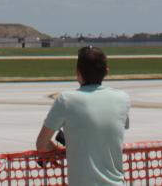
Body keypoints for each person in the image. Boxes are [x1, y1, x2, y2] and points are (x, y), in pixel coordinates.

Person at [35, 46, 132, 186]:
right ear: (106, 71)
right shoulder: (123, 99)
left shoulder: (66, 100)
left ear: (78, 73)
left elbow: (41, 144)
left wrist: (55, 149)